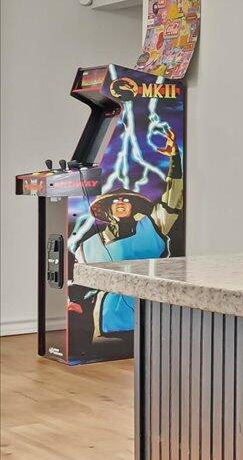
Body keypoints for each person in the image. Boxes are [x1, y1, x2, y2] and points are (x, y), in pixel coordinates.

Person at [77, 125, 183, 337]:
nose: (121, 202)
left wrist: (175, 158)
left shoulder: (153, 225)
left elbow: (173, 199)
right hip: (107, 321)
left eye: (126, 199)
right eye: (116, 200)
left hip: (151, 317)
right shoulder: (88, 246)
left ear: (134, 205)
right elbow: (81, 283)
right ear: (108, 209)